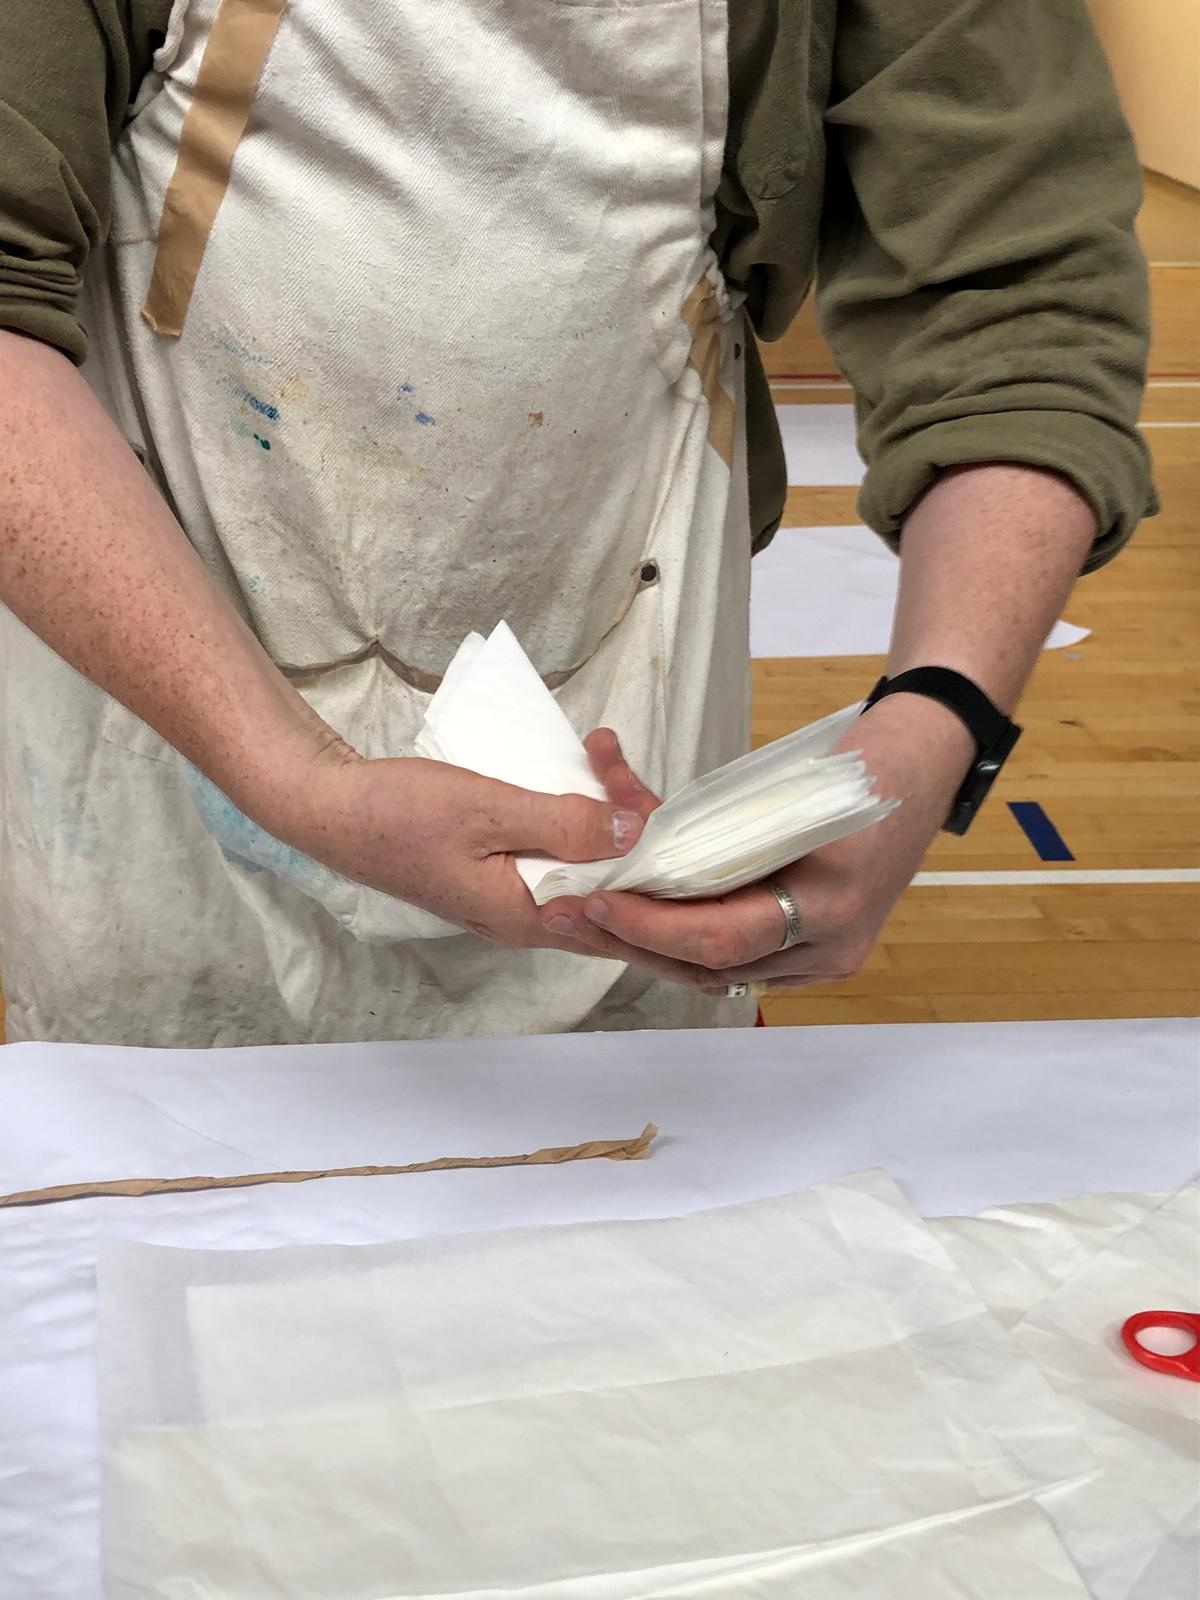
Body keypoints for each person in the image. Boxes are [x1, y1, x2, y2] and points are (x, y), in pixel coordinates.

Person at [0, 0, 1152, 1046]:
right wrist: (294, 776)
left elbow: (1015, 305)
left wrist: (939, 721)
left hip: (632, 751)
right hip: (154, 747)